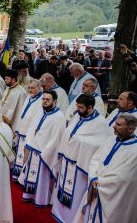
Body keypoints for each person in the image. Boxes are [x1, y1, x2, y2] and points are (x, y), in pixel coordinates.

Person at [51, 94, 111, 223]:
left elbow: (99, 146)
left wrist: (79, 141)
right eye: (77, 106)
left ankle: (72, 219)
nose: (77, 109)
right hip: (67, 160)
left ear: (90, 107)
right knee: (62, 187)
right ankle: (58, 212)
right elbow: (69, 132)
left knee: (76, 193)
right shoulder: (78, 116)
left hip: (81, 165)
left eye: (81, 107)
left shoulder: (101, 123)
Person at [76, 113, 137, 223]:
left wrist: (100, 182)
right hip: (96, 184)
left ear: (130, 129)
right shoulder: (111, 139)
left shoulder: (135, 150)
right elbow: (96, 158)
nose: (113, 126)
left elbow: (124, 177)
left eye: (118, 125)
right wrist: (93, 177)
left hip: (113, 195)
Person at [18, 90, 65, 207]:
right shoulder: (41, 111)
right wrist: (29, 143)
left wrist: (46, 153)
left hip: (45, 154)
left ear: (54, 101)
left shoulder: (59, 117)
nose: (44, 101)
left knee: (42, 178)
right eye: (43, 99)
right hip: (34, 148)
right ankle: (28, 195)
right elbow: (32, 128)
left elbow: (56, 139)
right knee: (31, 174)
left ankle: (40, 199)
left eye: (47, 100)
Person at [11, 79, 43, 181]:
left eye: (32, 88)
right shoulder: (28, 97)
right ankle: (17, 175)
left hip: (29, 132)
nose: (30, 90)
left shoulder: (41, 100)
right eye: (29, 88)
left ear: (39, 88)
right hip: (21, 130)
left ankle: (23, 178)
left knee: (26, 157)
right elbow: (22, 113)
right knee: (19, 154)